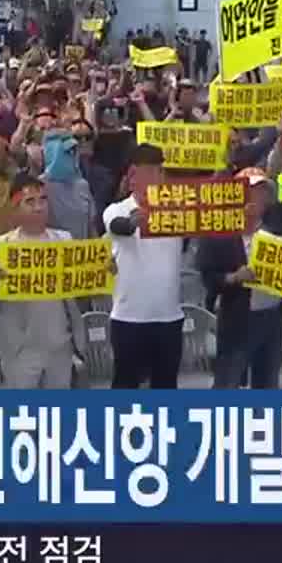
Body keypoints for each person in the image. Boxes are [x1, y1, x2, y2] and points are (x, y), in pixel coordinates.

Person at [0, 173, 88, 388]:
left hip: (59, 344)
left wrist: (103, 271)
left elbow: (83, 282)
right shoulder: (3, 245)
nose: (39, 207)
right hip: (20, 346)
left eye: (43, 200)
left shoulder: (64, 240)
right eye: (30, 202)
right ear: (15, 207)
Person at [102, 145, 188, 389]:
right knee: (125, 387)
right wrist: (132, 222)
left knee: (165, 388)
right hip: (129, 319)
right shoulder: (116, 210)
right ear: (133, 175)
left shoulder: (178, 210)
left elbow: (209, 216)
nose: (158, 178)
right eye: (151, 171)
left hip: (169, 317)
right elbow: (117, 226)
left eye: (161, 171)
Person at [195, 168, 282, 389]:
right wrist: (233, 277)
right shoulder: (218, 233)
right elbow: (208, 277)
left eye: (263, 192)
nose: (258, 197)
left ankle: (262, 423)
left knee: (267, 382)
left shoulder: (276, 230)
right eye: (252, 191)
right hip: (237, 318)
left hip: (271, 317)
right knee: (228, 381)